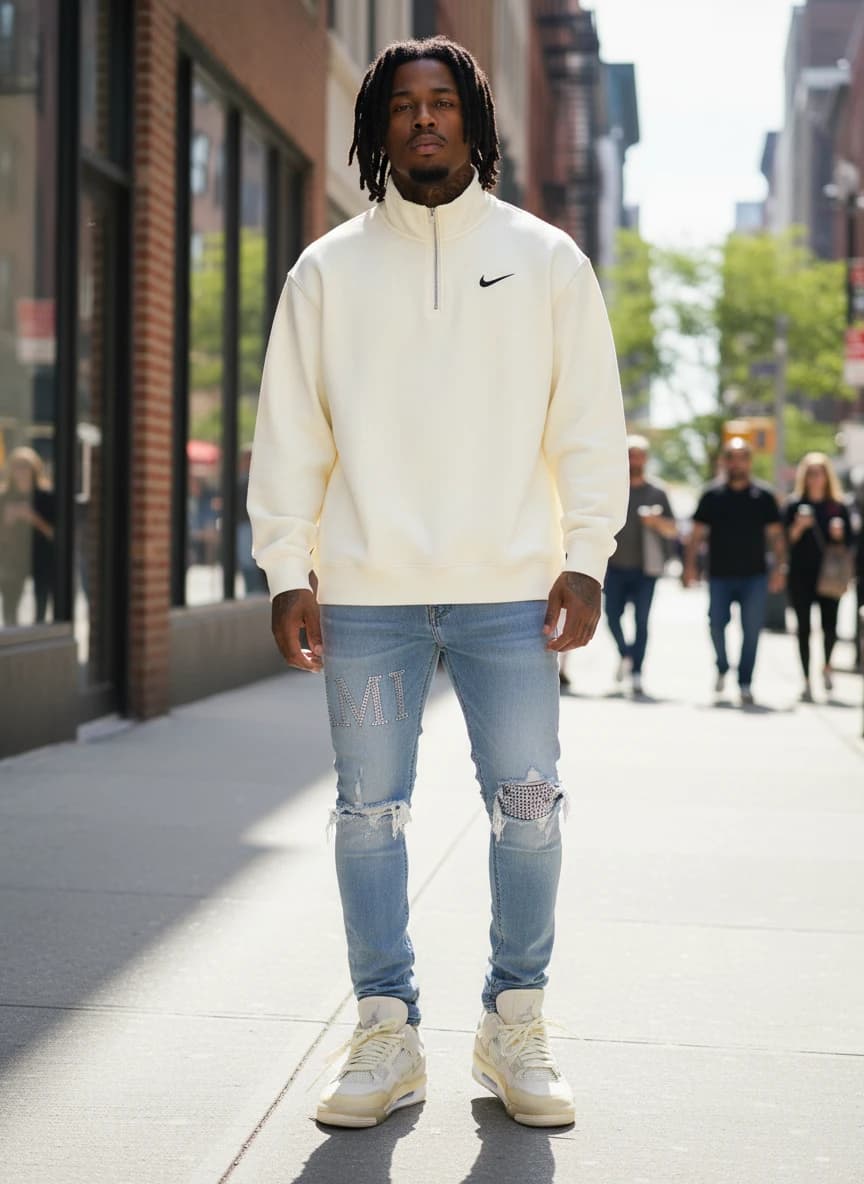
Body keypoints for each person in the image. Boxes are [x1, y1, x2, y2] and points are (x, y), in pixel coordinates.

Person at [248, 37, 627, 1129]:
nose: (425, 118)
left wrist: (585, 555)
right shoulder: (328, 269)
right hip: (366, 591)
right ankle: (386, 1029)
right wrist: (287, 568)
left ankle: (515, 1019)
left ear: (474, 121)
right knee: (368, 815)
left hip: (511, 588)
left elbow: (586, 420)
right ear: (378, 126)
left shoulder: (545, 257)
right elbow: (292, 431)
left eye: (443, 102)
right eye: (405, 105)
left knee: (529, 809)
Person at [684, 438, 786, 706]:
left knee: (751, 631)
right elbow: (696, 535)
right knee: (716, 624)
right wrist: (689, 566)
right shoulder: (711, 495)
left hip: (755, 576)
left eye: (742, 458)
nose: (736, 463)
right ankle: (722, 666)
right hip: (719, 575)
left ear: (749, 462)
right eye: (731, 458)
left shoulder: (764, 496)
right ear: (724, 462)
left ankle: (745, 682)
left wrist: (780, 568)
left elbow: (776, 536)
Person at [604, 434, 676, 695]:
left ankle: (636, 672)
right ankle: (626, 654)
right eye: (630, 455)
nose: (634, 460)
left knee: (642, 622)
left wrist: (655, 522)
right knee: (611, 617)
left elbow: (672, 530)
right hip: (614, 568)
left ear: (646, 459)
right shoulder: (612, 489)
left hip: (646, 570)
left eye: (639, 455)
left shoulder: (657, 492)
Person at [784, 453, 852, 700]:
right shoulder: (794, 505)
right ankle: (806, 680)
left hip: (830, 575)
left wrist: (838, 534)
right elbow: (784, 541)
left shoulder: (838, 506)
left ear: (827, 476)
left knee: (830, 626)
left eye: (820, 472)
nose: (815, 478)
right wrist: (799, 526)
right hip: (801, 575)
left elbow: (850, 543)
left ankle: (827, 666)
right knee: (803, 628)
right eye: (811, 473)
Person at [0, 446, 55, 627]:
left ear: (34, 469)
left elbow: (54, 534)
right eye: (17, 467)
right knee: (10, 608)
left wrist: (33, 518)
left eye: (26, 467)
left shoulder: (46, 496)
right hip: (12, 558)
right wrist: (7, 521)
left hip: (42, 557)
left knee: (41, 606)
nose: (21, 472)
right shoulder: (4, 497)